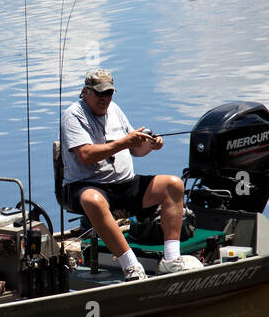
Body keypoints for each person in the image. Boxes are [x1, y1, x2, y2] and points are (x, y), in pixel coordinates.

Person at [60, 69, 201, 282]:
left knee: (173, 184)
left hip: (125, 185)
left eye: (109, 94)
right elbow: (86, 155)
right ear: (85, 92)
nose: (104, 99)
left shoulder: (115, 109)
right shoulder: (73, 115)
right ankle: (131, 267)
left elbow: (135, 150)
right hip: (86, 185)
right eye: (99, 94)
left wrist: (150, 145)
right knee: (93, 200)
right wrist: (124, 142)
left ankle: (171, 260)